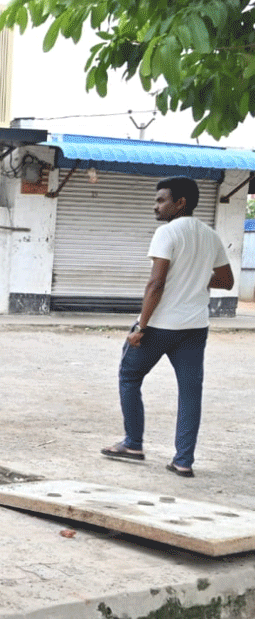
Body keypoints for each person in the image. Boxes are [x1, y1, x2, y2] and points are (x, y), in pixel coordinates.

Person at [100, 176, 233, 478]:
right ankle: (183, 461)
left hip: (160, 325)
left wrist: (140, 327)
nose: (155, 205)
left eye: (161, 200)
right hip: (195, 327)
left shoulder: (167, 232)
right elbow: (226, 281)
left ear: (180, 203)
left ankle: (133, 444)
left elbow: (156, 283)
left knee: (129, 376)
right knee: (190, 393)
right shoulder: (210, 235)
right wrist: (196, 277)